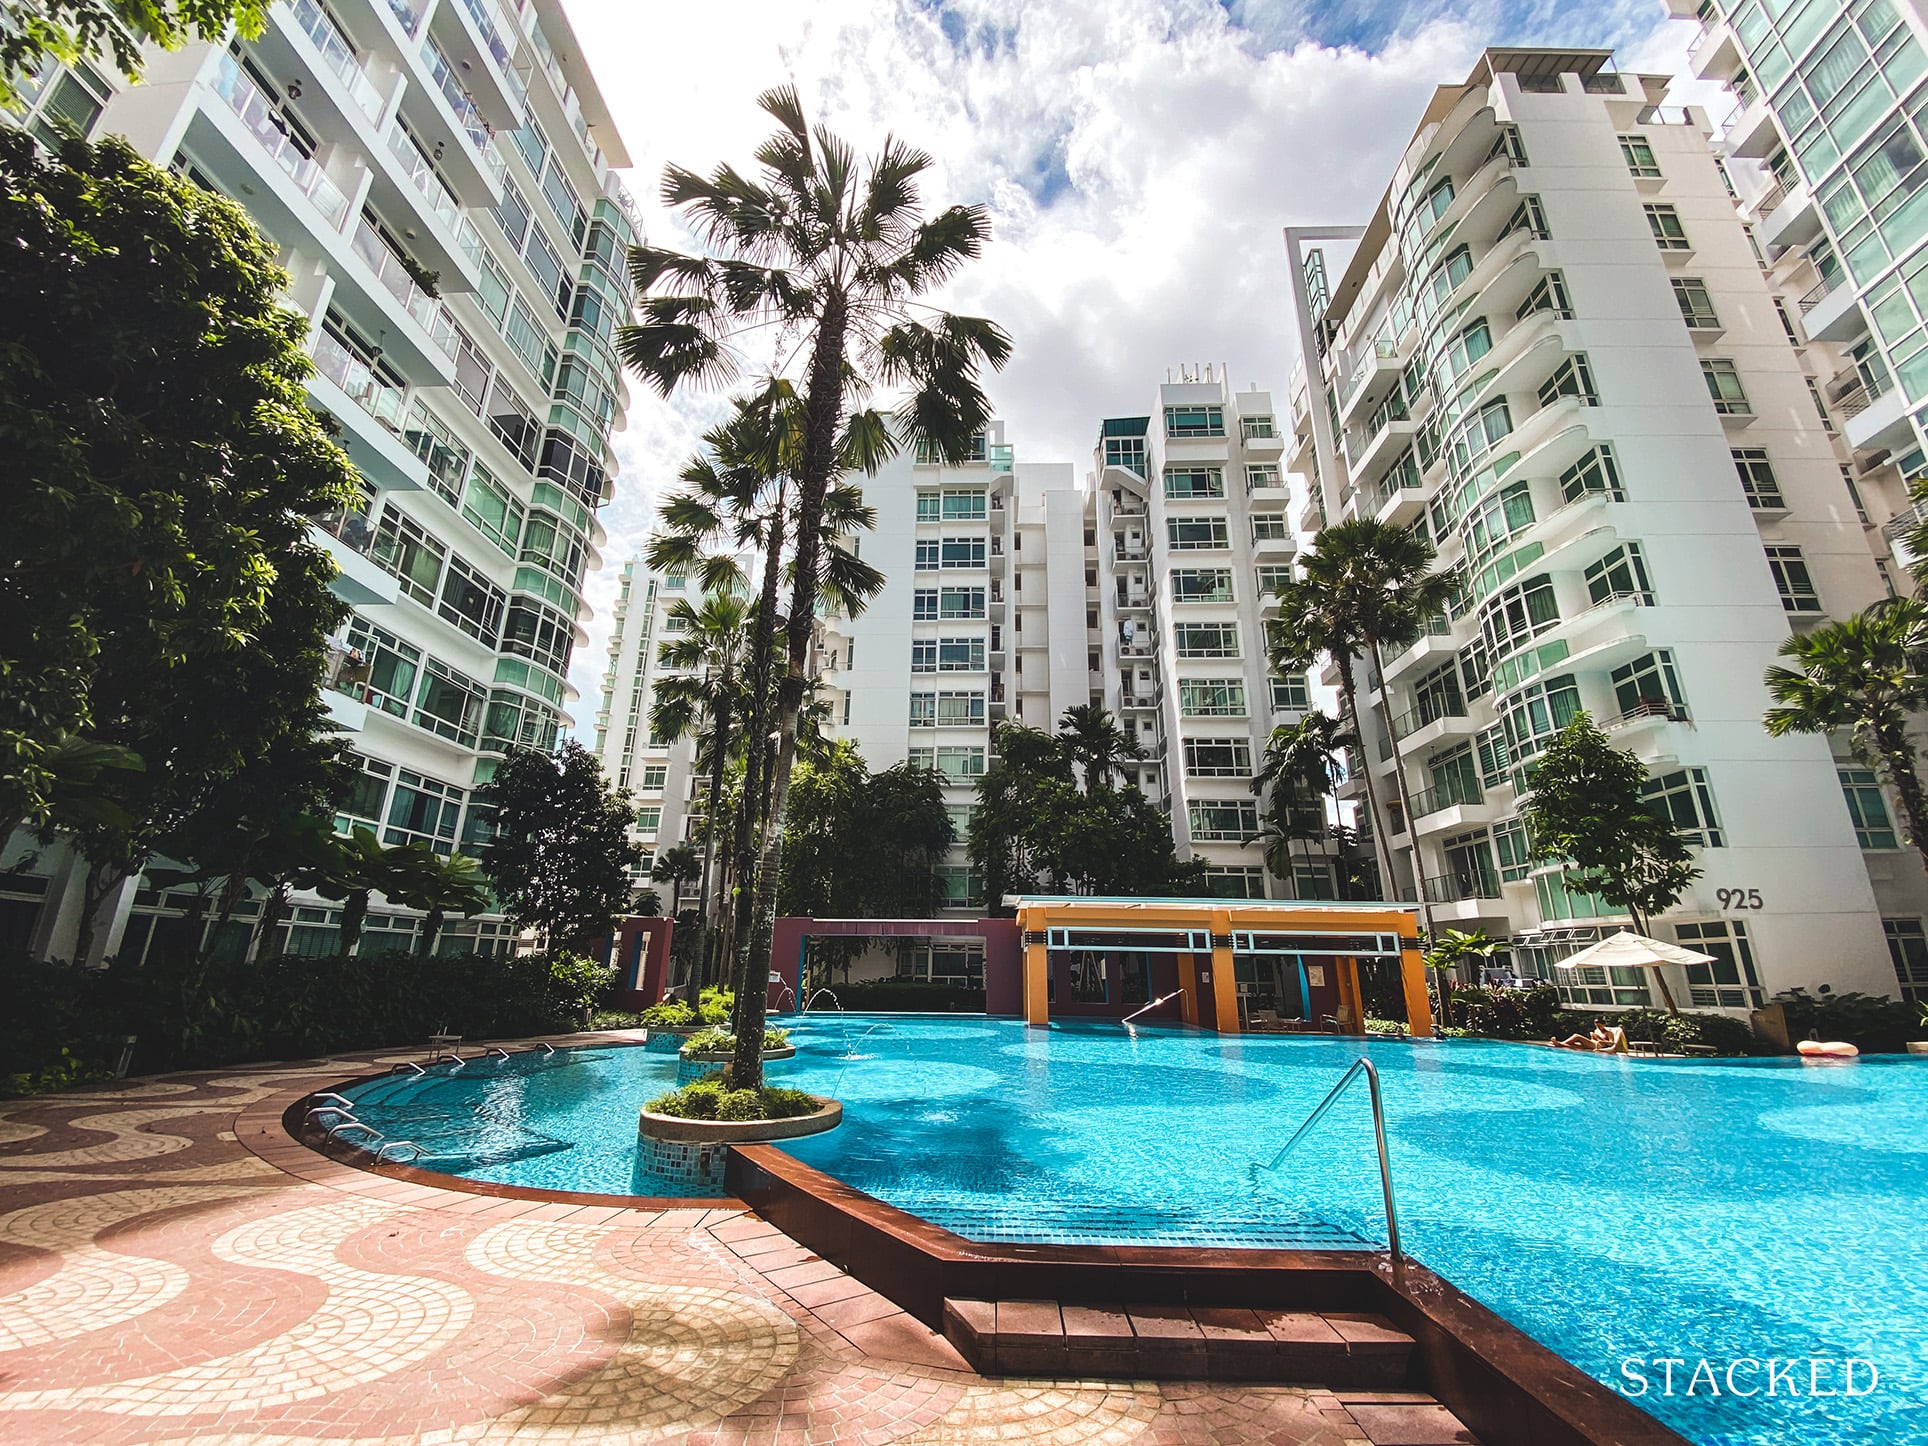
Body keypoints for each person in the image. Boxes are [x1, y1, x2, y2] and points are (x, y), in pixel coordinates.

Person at [1552, 1024, 1627, 1052]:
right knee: (1574, 1045)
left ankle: (1560, 1043)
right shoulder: (1596, 1031)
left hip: (1598, 1045)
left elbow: (1611, 1043)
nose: (1598, 1028)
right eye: (1597, 1026)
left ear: (1603, 1025)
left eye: (1600, 1026)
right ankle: (1560, 1044)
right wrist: (1593, 1037)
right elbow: (1593, 1040)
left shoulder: (1608, 1032)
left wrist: (1599, 1039)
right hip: (1592, 1043)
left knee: (1576, 1036)